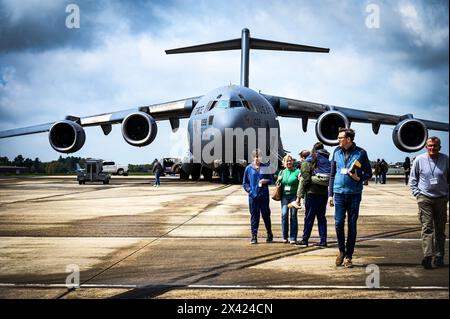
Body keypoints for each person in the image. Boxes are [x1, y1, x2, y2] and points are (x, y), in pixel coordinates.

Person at [328, 128, 372, 268]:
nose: (338, 140)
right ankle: (341, 250)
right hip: (339, 193)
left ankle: (348, 256)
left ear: (349, 139)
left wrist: (359, 178)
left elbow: (369, 173)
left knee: (352, 226)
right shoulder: (336, 152)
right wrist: (330, 194)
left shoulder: (361, 153)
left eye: (340, 137)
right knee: (338, 223)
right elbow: (332, 174)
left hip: (354, 194)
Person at [409, 136, 448, 269]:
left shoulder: (445, 159)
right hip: (425, 198)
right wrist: (417, 194)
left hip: (441, 199)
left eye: (435, 146)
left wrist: (447, 195)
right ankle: (428, 256)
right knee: (427, 227)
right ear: (426, 147)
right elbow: (413, 179)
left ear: (439, 147)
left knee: (440, 229)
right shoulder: (419, 160)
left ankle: (439, 256)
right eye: (430, 146)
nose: (432, 148)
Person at [295, 142, 331, 247]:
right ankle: (323, 241)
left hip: (312, 193)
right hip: (323, 193)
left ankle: (305, 239)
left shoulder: (309, 161)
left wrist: (303, 189)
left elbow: (306, 180)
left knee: (309, 217)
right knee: (321, 218)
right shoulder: (325, 160)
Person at [243, 149, 274, 244]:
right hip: (253, 196)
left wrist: (266, 181)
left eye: (259, 156)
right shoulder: (248, 168)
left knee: (265, 215)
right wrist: (250, 191)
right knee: (254, 216)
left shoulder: (265, 167)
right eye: (256, 156)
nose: (258, 158)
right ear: (253, 157)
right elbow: (245, 183)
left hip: (263, 195)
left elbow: (272, 180)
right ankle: (254, 236)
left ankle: (269, 233)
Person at [275, 154, 301, 244]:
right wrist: (278, 179)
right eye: (287, 161)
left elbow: (301, 183)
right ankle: (284, 236)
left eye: (290, 160)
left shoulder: (297, 171)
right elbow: (276, 185)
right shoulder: (282, 172)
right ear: (284, 163)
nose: (289, 162)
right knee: (284, 214)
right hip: (284, 196)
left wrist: (300, 178)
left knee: (293, 216)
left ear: (293, 162)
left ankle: (293, 237)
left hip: (294, 196)